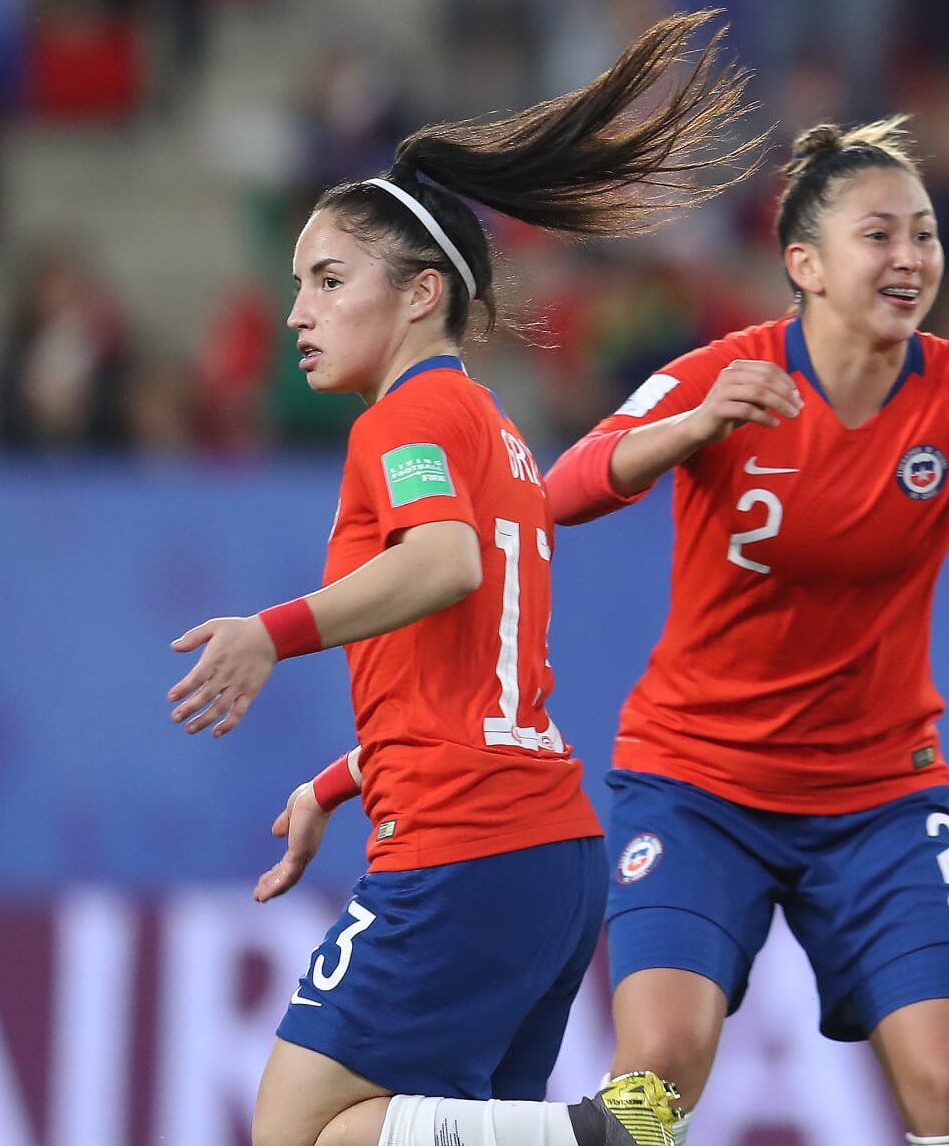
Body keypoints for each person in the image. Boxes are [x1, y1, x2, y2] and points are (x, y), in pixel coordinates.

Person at [163, 11, 759, 1146]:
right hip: (544, 850)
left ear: (422, 293)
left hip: (465, 843)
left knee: (300, 1125)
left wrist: (269, 631)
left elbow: (445, 565)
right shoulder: (493, 428)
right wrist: (336, 785)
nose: (297, 311)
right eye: (297, 282)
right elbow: (467, 663)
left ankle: (601, 1132)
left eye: (330, 278)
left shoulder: (412, 414)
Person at [543, 117, 949, 1146]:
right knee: (655, 1080)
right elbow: (561, 490)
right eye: (880, 236)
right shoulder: (722, 374)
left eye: (926, 235)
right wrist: (687, 430)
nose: (910, 258)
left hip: (881, 798)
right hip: (697, 785)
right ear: (803, 264)